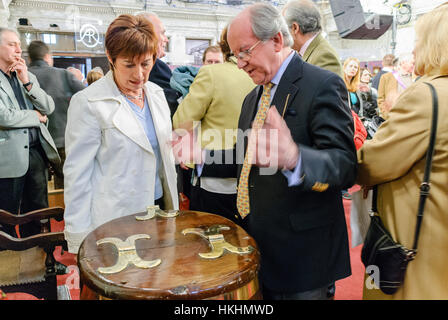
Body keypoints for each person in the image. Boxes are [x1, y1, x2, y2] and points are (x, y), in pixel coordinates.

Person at [174, 3, 356, 300]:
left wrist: (295, 158)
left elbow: (346, 167)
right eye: (235, 55)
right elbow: (246, 158)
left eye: (245, 51)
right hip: (257, 248)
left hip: (303, 259)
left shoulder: (322, 84)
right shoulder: (253, 97)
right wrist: (201, 157)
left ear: (276, 40)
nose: (240, 62)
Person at [63, 14, 179, 254]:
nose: (139, 75)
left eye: (146, 64)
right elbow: (77, 175)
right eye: (129, 64)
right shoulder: (89, 102)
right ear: (111, 58)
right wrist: (78, 240)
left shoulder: (156, 94)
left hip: (159, 207)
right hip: (117, 216)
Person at [357, 3, 448, 299]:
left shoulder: (427, 96)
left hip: (415, 246)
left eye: (419, 41)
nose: (414, 50)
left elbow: (373, 163)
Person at [172, 26, 256, 226]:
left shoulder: (211, 74)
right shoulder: (260, 75)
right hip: (253, 177)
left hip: (215, 179)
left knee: (211, 243)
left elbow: (182, 121)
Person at [0, 28, 59, 237]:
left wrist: (27, 81)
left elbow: (49, 107)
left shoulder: (26, 74)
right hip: (7, 159)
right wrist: (36, 117)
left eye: (19, 44)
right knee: (6, 217)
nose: (18, 49)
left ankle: (44, 260)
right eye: (11, 44)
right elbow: (3, 116)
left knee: (38, 212)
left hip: (36, 154)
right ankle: (8, 265)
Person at [27, 40, 85, 190]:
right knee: (66, 184)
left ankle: (45, 213)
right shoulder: (63, 74)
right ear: (47, 56)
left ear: (29, 58)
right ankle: (63, 212)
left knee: (37, 190)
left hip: (33, 144)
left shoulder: (22, 77)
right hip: (62, 140)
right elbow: (87, 96)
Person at [282, 0, 343, 78]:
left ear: (295, 28)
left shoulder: (324, 57)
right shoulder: (307, 52)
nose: (282, 35)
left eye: (284, 29)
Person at [137, 12, 181, 118]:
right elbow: (173, 108)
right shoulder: (155, 67)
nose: (166, 39)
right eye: (162, 33)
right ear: (148, 35)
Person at [377, 52, 414, 120]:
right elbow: (380, 99)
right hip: (391, 118)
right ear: (403, 63)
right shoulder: (386, 77)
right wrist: (387, 115)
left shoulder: (415, 79)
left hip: (409, 118)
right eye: (412, 63)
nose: (414, 65)